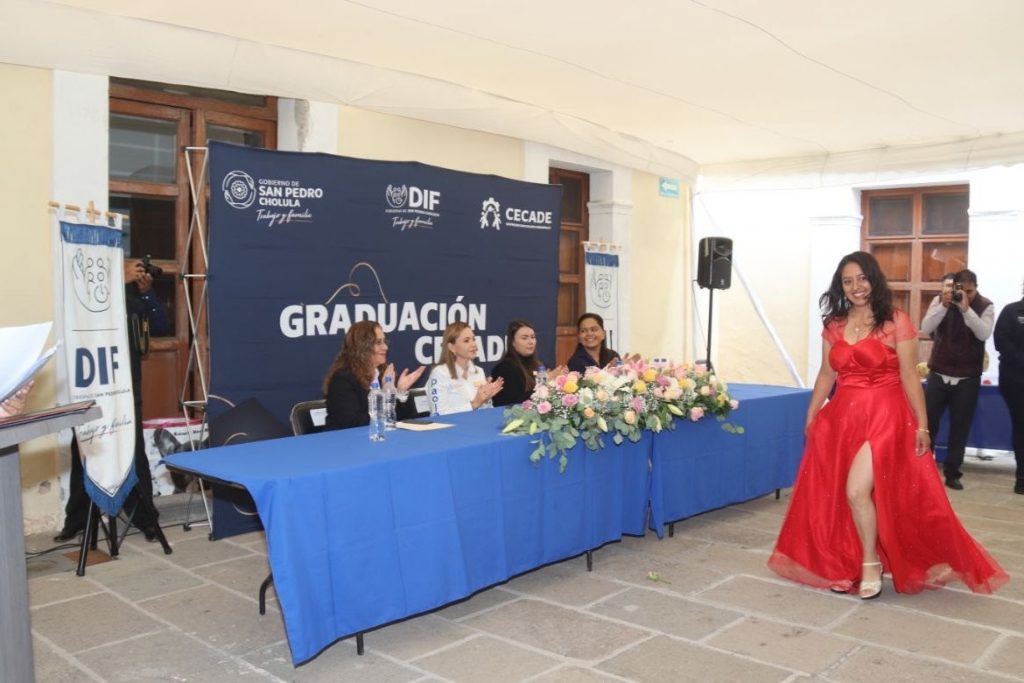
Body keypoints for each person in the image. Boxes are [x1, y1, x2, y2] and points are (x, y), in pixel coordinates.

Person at [768, 251, 1007, 599]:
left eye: (862, 278)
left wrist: (922, 426)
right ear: (841, 287)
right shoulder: (834, 324)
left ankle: (869, 563)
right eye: (848, 281)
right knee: (839, 496)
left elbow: (910, 376)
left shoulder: (896, 321)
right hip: (842, 419)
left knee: (855, 491)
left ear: (874, 280)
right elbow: (826, 373)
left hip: (885, 416)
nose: (856, 287)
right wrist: (812, 413)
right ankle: (848, 561)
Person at [56, 259, 169, 542]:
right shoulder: (88, 294)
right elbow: (88, 322)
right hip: (93, 382)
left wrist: (146, 293)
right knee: (84, 447)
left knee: (133, 447)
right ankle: (78, 519)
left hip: (126, 384)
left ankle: (145, 517)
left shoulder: (133, 297)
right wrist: (114, 283)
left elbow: (160, 324)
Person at [921, 269, 995, 490]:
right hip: (938, 373)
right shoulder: (940, 301)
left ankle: (953, 473)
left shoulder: (986, 306)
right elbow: (926, 328)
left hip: (967, 378)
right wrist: (944, 306)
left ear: (976, 287)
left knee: (960, 428)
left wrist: (966, 310)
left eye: (970, 291)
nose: (966, 295)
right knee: (928, 426)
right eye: (961, 291)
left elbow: (983, 334)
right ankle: (924, 469)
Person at [322, 320, 425, 430]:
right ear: (362, 347)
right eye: (378, 342)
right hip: (347, 442)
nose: (385, 347)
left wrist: (399, 392)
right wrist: (385, 398)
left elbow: (404, 420)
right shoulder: (342, 380)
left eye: (385, 342)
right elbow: (353, 423)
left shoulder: (383, 375)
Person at [426, 322, 503, 415]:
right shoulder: (440, 373)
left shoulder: (478, 371)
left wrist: (486, 400)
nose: (474, 344)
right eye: (466, 341)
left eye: (473, 339)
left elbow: (487, 411)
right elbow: (437, 415)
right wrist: (474, 404)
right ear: (452, 347)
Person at [491, 319, 566, 407]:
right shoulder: (505, 368)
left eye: (533, 337)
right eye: (524, 338)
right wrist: (546, 382)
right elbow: (514, 404)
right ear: (513, 343)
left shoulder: (538, 365)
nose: (531, 342)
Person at [993, 282, 1024, 494]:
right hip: (1016, 381)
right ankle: (1022, 476)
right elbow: (1001, 341)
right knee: (1022, 428)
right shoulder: (1012, 311)